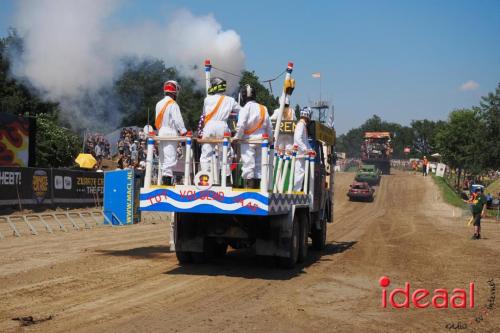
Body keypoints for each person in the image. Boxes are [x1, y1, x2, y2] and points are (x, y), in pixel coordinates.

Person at [233, 84, 273, 189]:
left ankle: (249, 190)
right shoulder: (264, 108)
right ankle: (257, 189)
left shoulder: (245, 108)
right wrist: (270, 140)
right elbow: (269, 126)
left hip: (248, 141)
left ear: (243, 96)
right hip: (262, 142)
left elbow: (241, 125)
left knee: (248, 165)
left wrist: (236, 137)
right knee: (259, 166)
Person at [197, 77, 240, 175]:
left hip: (209, 126)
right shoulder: (230, 100)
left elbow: (204, 114)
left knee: (206, 153)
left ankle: (205, 178)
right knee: (225, 154)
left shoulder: (207, 99)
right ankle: (226, 180)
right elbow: (242, 111)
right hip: (222, 126)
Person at [155, 80, 187, 185]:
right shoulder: (173, 104)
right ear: (174, 92)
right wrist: (183, 132)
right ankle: (167, 183)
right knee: (170, 159)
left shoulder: (158, 104)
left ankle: (165, 181)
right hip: (170, 132)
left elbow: (157, 121)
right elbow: (178, 120)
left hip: (161, 132)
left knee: (163, 159)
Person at [293, 107, 313, 191]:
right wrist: (306, 149)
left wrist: (311, 149)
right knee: (299, 173)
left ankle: (298, 189)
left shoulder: (303, 125)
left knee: (301, 174)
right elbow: (298, 139)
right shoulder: (300, 125)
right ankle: (296, 191)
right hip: (299, 154)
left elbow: (305, 142)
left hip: (302, 154)